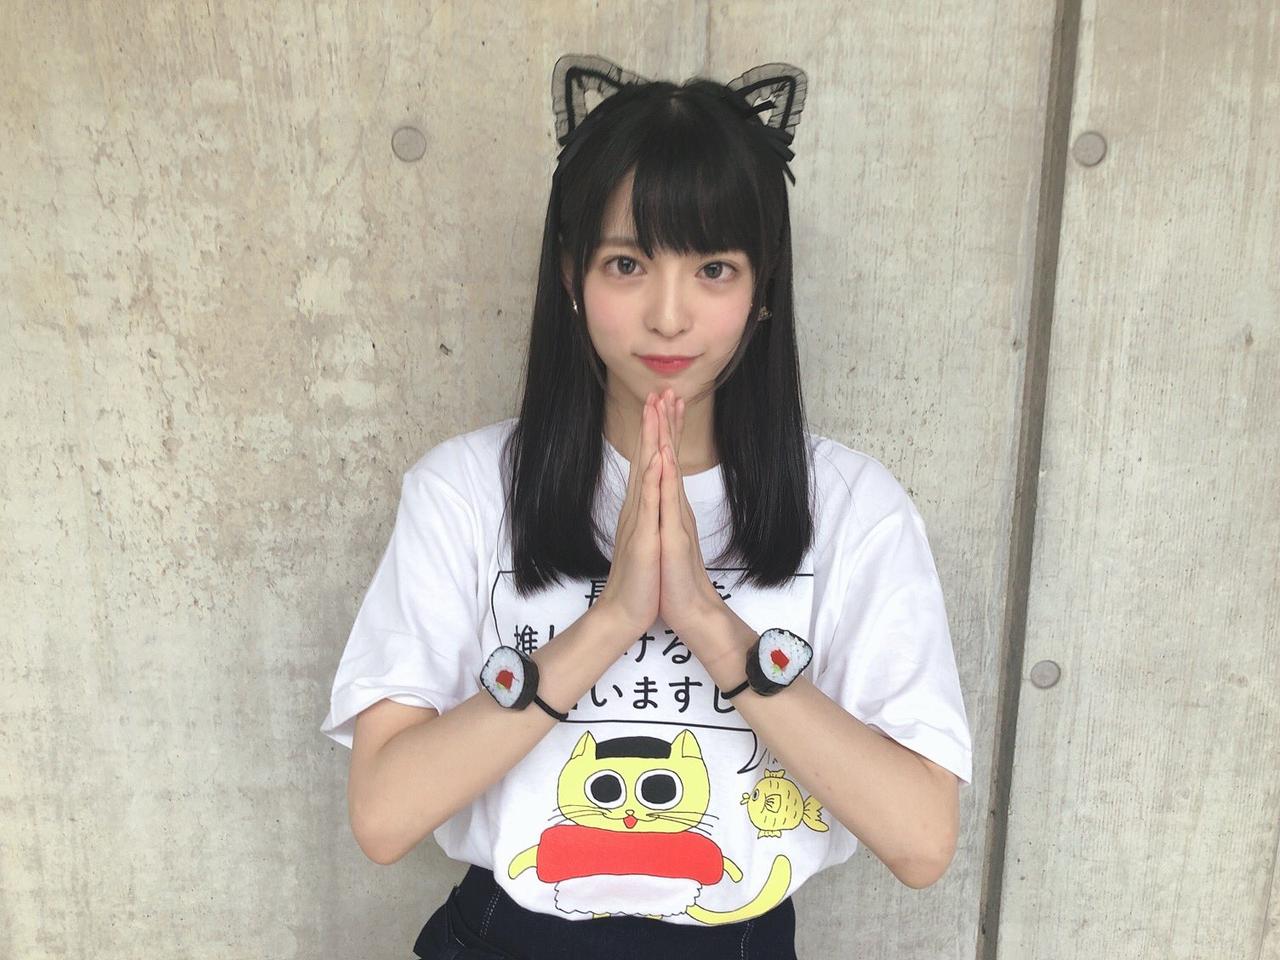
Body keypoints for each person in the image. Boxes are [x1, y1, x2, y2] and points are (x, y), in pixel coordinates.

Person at [320, 54, 973, 960]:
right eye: (627, 263)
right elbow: (384, 815)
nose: (669, 315)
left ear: (764, 288)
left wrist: (708, 622)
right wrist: (611, 621)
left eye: (714, 268)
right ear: (570, 274)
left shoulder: (856, 510)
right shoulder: (463, 491)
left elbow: (922, 840)